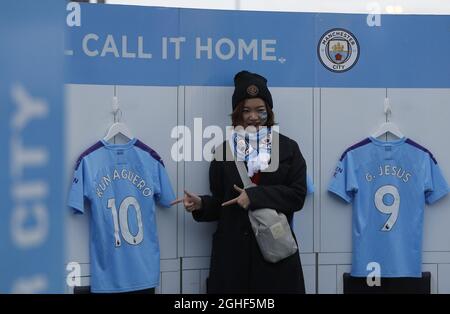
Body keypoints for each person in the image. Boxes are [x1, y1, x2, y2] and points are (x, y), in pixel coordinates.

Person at [172, 70, 307, 293]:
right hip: (232, 261)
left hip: (275, 259)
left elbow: (297, 196)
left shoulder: (288, 148)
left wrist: (254, 196)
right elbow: (221, 203)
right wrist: (202, 205)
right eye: (246, 110)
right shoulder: (222, 151)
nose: (253, 116)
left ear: (269, 112)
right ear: (237, 114)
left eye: (260, 110)